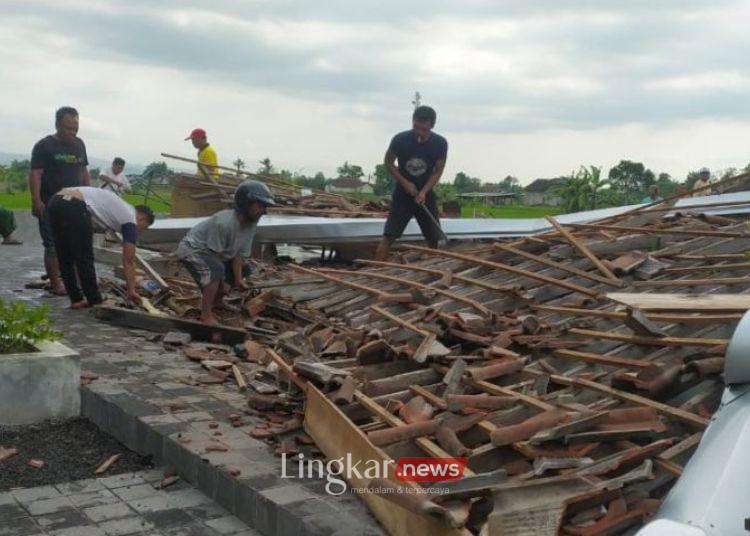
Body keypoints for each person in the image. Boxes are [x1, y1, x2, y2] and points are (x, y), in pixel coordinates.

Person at [176, 180, 275, 325]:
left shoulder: (250, 225)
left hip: (216, 254)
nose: (263, 211)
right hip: (194, 250)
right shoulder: (223, 223)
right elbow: (213, 255)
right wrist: (223, 282)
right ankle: (206, 314)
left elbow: (238, 255)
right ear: (245, 203)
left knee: (244, 269)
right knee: (216, 270)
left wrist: (238, 280)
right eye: (260, 205)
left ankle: (217, 302)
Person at [46, 187, 155, 309]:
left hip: (55, 201)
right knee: (84, 257)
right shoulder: (130, 219)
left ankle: (76, 300)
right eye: (144, 227)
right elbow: (129, 260)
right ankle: (95, 301)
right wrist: (131, 290)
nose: (141, 231)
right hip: (74, 204)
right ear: (142, 218)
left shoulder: (120, 208)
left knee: (65, 256)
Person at [30, 106, 91, 295]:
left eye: (75, 128)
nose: (72, 132)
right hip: (50, 203)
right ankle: (56, 284)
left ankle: (74, 281)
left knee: (74, 243)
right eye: (68, 128)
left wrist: (89, 197)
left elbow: (83, 172)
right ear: (58, 125)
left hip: (73, 203)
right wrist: (36, 200)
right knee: (52, 245)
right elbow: (36, 174)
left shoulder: (79, 144)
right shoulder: (44, 146)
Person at [375, 106, 448, 261]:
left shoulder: (440, 143)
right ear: (412, 121)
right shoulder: (399, 140)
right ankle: (377, 268)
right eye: (416, 126)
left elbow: (438, 171)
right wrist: (405, 183)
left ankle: (433, 267)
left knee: (433, 236)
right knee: (389, 235)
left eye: (424, 129)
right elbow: (388, 162)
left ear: (431, 126)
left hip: (425, 195)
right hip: (403, 195)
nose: (419, 132)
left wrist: (424, 192)